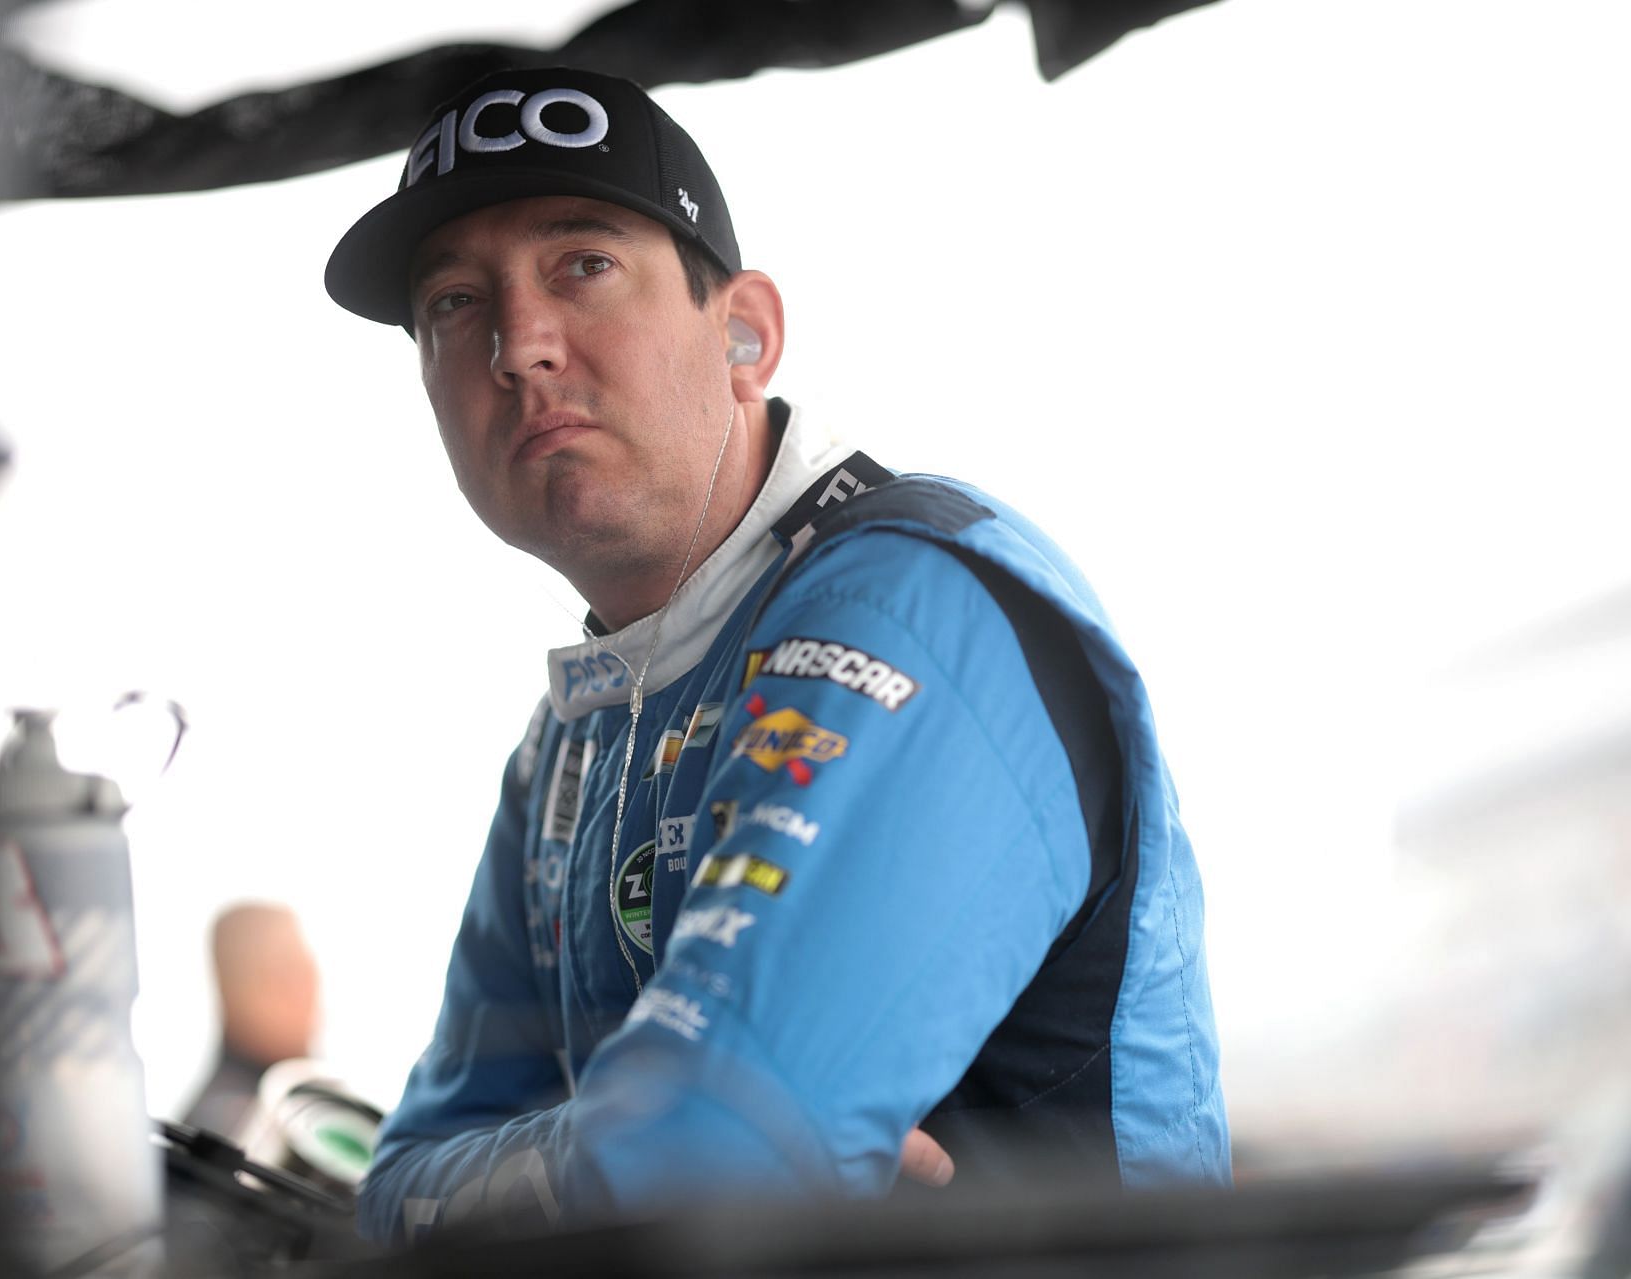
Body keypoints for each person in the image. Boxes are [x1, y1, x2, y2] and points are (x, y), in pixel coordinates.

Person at [322, 67, 1230, 1246]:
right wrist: (615, 1145)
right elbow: (393, 1191)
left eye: (582, 265)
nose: (519, 343)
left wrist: (633, 1151)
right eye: (452, 301)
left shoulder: (911, 603)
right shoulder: (571, 736)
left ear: (745, 331)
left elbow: (706, 1161)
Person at [181, 902, 322, 1140]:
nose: (306, 991)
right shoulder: (228, 1124)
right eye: (282, 975)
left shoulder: (308, 1100)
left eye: (306, 968)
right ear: (230, 990)